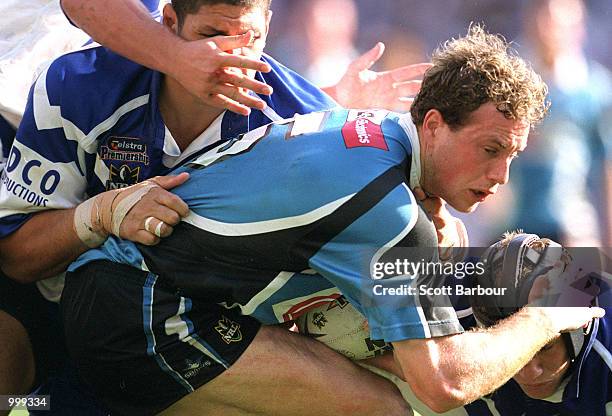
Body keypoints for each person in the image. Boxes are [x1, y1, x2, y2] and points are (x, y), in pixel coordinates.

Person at [60, 26, 603, 415]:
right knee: (383, 407)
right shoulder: (387, 212)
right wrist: (548, 318)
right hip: (141, 318)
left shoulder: (381, 137)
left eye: (512, 155)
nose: (502, 175)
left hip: (129, 297)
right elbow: (445, 383)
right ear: (434, 124)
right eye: (489, 149)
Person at [0, 0, 437, 413]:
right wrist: (100, 214)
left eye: (245, 38)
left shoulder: (300, 125)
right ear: (170, 22)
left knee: (376, 406)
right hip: (59, 298)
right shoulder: (79, 84)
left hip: (185, 326)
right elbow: (18, 256)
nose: (226, 56)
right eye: (210, 34)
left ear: (267, 27)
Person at [461, 232, 612, 415]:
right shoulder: (457, 346)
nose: (530, 372)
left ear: (580, 324)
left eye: (544, 346)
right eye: (512, 348)